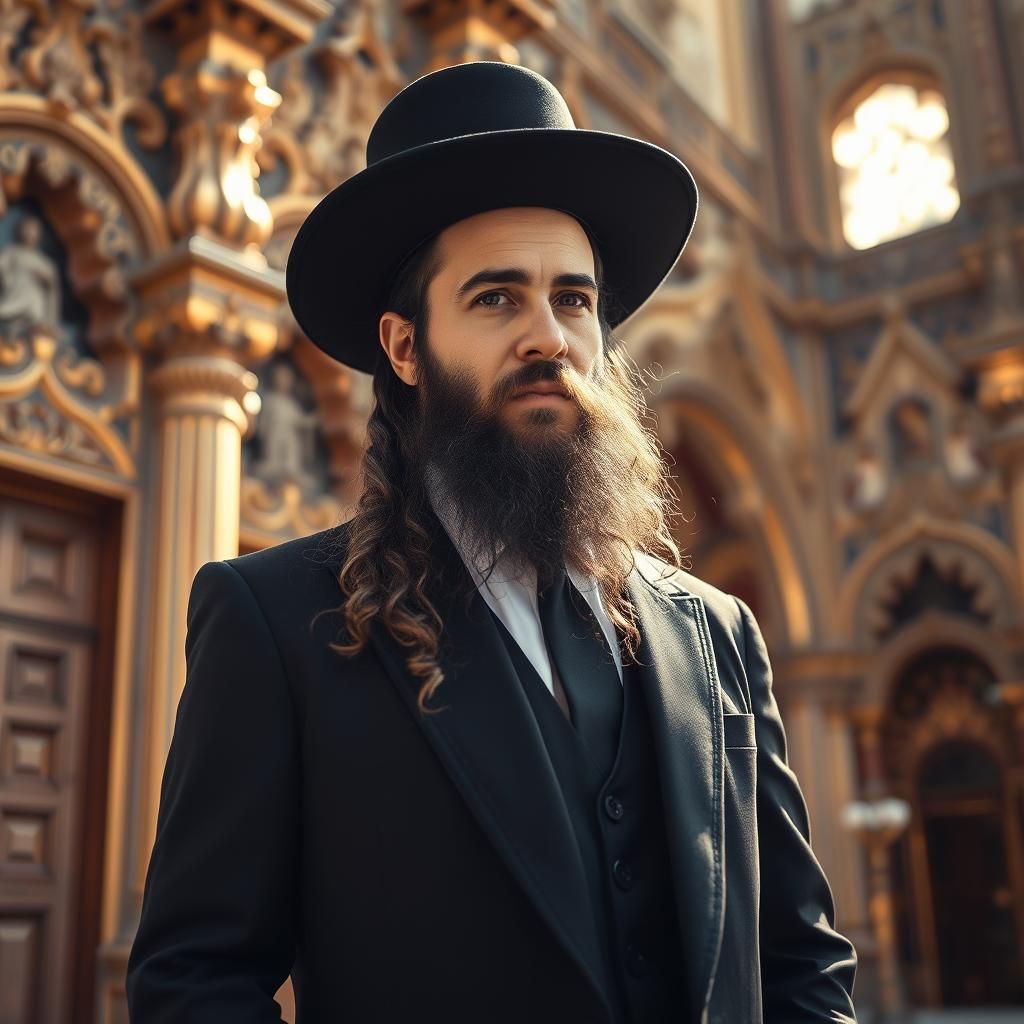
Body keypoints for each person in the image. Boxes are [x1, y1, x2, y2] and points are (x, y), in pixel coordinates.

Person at [126, 61, 858, 1023]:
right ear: (403, 347)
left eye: (575, 299)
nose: (548, 336)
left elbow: (800, 965)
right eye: (496, 298)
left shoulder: (719, 635)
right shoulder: (276, 624)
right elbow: (194, 979)